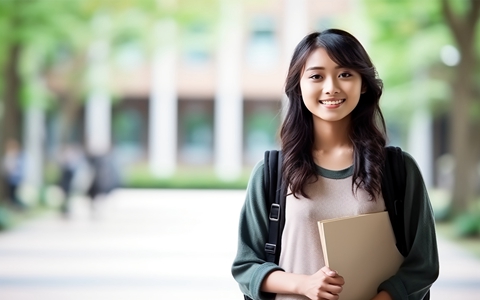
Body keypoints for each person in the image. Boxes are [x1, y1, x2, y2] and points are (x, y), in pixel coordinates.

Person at [231, 29, 439, 300]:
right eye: (316, 76)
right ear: (299, 85)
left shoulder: (398, 169)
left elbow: (423, 265)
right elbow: (246, 267)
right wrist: (302, 284)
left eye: (345, 74)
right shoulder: (273, 172)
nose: (331, 87)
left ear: (363, 84)